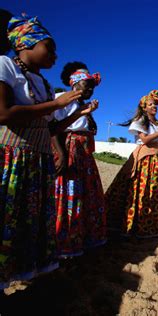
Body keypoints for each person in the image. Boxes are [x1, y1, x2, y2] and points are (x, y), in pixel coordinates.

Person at [0, 14, 82, 289]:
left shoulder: (43, 85)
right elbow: (4, 114)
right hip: (11, 157)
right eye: (50, 47)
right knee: (6, 220)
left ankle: (24, 274)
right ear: (26, 43)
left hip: (37, 161)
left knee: (29, 223)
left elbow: (50, 128)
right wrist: (58, 103)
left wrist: (76, 111)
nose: (55, 56)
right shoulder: (5, 65)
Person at [105, 90, 158, 238]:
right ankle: (135, 224)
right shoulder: (140, 121)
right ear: (144, 107)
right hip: (145, 159)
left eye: (155, 104)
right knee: (144, 191)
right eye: (151, 104)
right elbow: (145, 140)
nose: (154, 107)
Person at [51, 62, 106, 258]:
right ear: (74, 83)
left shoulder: (81, 107)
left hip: (84, 155)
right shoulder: (61, 99)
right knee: (69, 193)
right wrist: (62, 155)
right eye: (87, 84)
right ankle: (65, 241)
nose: (90, 89)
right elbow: (53, 129)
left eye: (92, 86)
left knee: (86, 194)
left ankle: (82, 238)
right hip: (70, 152)